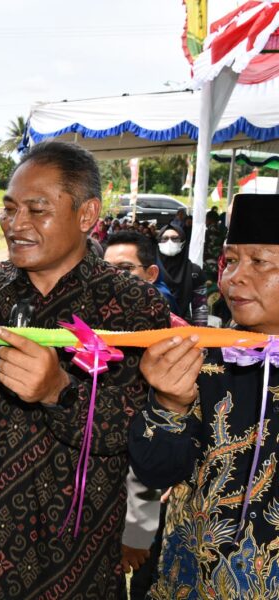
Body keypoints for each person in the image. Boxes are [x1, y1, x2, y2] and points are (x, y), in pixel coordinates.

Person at [0, 141, 171, 599]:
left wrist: (59, 391)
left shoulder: (132, 304)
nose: (16, 224)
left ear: (87, 214)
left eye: (37, 209)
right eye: (9, 209)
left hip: (74, 564)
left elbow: (137, 431)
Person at [129, 193, 279, 598]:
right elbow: (155, 472)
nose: (234, 278)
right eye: (230, 261)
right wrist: (169, 405)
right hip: (189, 580)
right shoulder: (199, 356)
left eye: (259, 262)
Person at [103, 231, 185, 600]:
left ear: (151, 274)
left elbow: (161, 428)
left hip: (154, 498)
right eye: (104, 270)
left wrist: (138, 531)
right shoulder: (92, 337)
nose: (112, 280)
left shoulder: (175, 338)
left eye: (124, 270)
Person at [156, 224, 208, 326]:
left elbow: (200, 308)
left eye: (175, 239)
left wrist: (199, 333)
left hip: (183, 328)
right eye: (165, 239)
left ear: (183, 242)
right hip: (151, 328)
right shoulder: (150, 269)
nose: (169, 242)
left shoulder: (194, 272)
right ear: (158, 242)